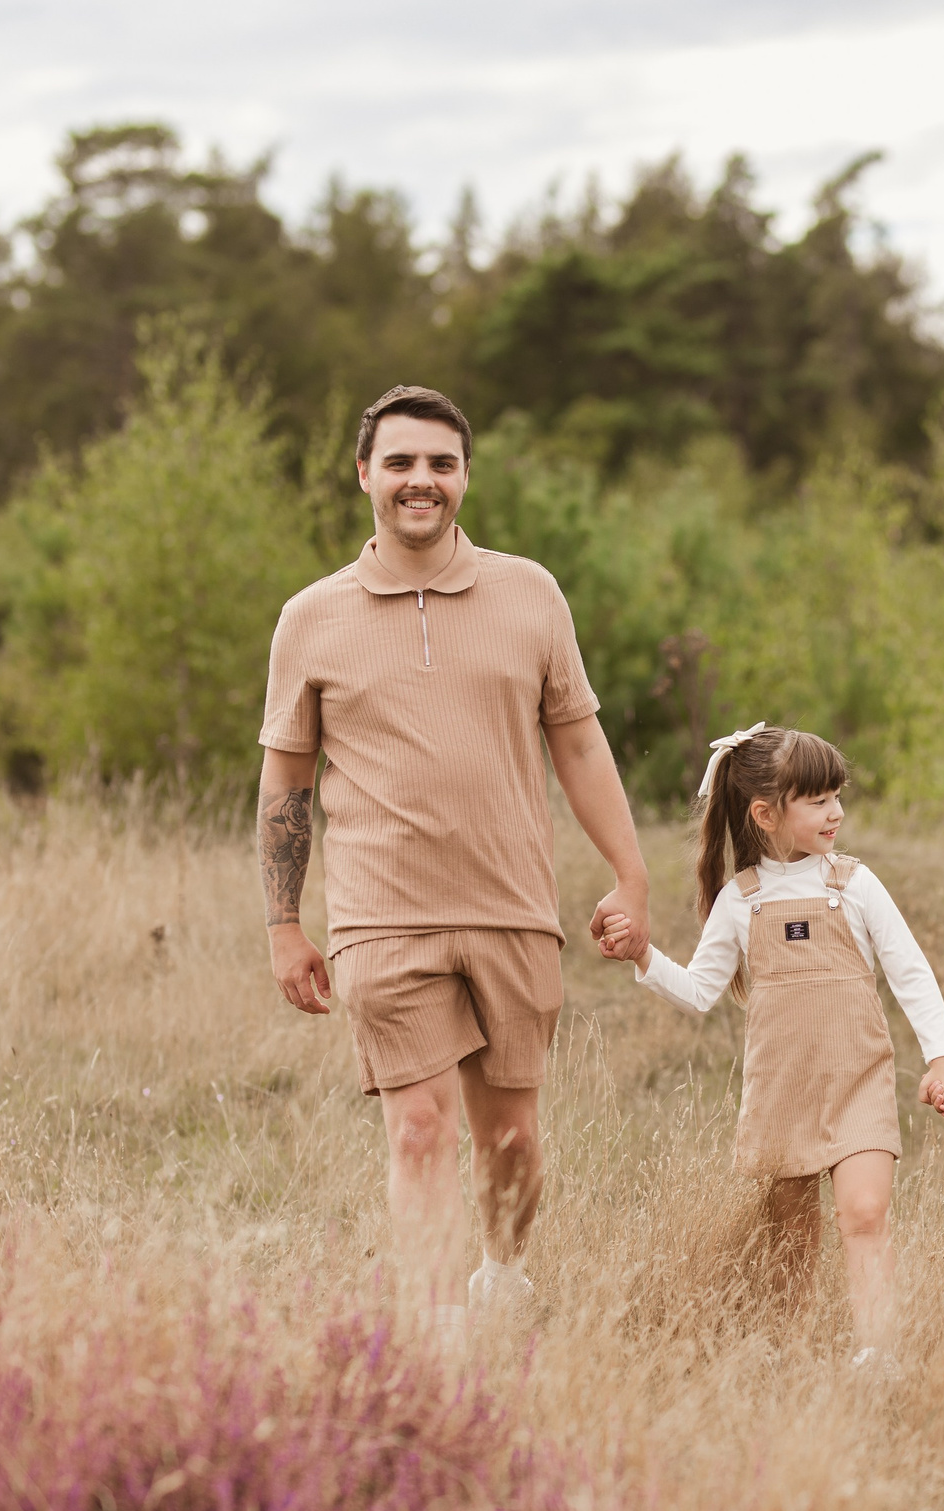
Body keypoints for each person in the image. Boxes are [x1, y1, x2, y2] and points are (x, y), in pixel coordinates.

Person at [256, 383, 652, 1352]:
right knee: (419, 1130)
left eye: (439, 462)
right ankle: (434, 1336)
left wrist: (629, 876)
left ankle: (500, 1276)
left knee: (510, 1140)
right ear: (364, 476)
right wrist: (283, 923)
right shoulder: (311, 618)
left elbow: (582, 748)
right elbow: (286, 781)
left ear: (465, 475)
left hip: (513, 907)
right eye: (399, 463)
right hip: (381, 917)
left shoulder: (531, 594)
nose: (419, 481)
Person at [596, 724, 944, 1372]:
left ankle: (878, 1355)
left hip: (860, 1082)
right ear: (767, 814)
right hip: (782, 1089)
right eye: (817, 799)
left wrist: (943, 1056)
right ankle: (787, 1358)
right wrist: (645, 956)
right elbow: (698, 991)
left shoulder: (857, 884)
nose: (836, 812)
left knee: (865, 1210)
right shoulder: (742, 901)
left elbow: (910, 971)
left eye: (837, 795)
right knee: (790, 1238)